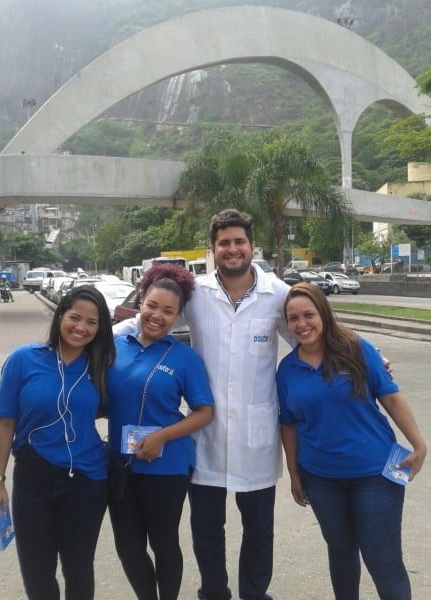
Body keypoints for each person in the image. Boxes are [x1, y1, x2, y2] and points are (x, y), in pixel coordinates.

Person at [114, 209, 293, 600]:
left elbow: (312, 334)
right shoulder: (196, 293)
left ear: (252, 246)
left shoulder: (277, 294)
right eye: (224, 243)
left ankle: (253, 594)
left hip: (255, 436)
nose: (232, 249)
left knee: (259, 530)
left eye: (239, 242)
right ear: (213, 250)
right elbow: (145, 321)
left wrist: (365, 356)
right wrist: (84, 342)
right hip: (205, 436)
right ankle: (214, 592)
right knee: (207, 530)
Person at [276, 283, 427, 600]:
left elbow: (391, 397)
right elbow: (288, 426)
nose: (302, 324)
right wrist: (294, 475)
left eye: (308, 315)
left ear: (323, 314)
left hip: (374, 474)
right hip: (320, 478)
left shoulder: (356, 348)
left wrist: (419, 445)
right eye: (293, 319)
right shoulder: (287, 369)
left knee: (383, 559)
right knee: (341, 553)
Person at [0, 286, 115, 600]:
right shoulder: (23, 360)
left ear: (100, 329)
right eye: (75, 317)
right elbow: (4, 423)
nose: (81, 327)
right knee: (38, 573)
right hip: (34, 479)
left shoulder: (102, 367)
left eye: (91, 322)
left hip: (87, 481)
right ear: (61, 315)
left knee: (79, 569)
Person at [107, 264, 214, 600]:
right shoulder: (114, 347)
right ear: (141, 301)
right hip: (119, 464)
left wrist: (162, 437)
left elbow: (204, 412)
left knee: (163, 541)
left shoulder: (184, 358)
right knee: (127, 545)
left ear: (177, 316)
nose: (157, 316)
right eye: (152, 306)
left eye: (168, 311)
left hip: (166, 467)